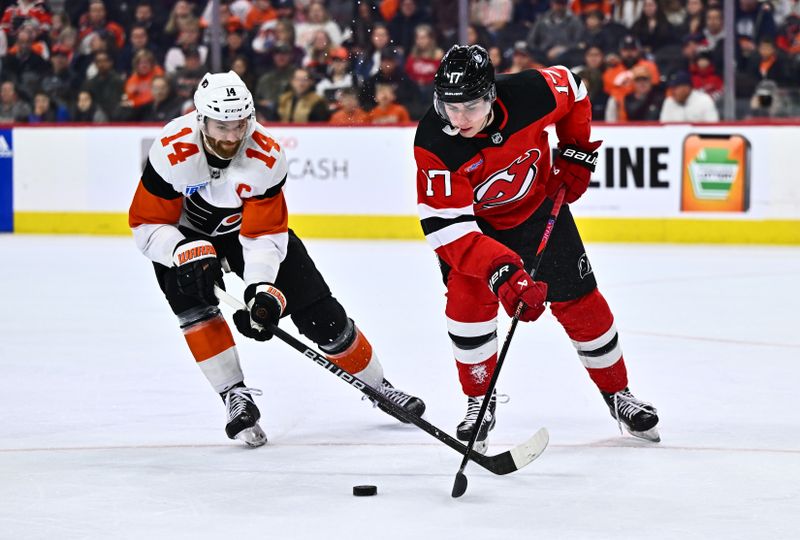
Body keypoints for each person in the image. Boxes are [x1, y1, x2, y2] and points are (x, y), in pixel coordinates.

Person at [129, 71, 425, 447]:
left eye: (239, 125)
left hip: (245, 233)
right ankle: (234, 395)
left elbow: (263, 235)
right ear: (201, 119)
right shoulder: (172, 149)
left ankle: (379, 386)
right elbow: (147, 223)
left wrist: (261, 289)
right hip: (180, 236)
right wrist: (183, 252)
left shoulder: (266, 155)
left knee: (320, 311)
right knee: (194, 309)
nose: (231, 137)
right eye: (221, 126)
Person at [413, 45, 660, 452]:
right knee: (466, 306)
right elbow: (447, 231)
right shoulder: (434, 142)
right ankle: (479, 400)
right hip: (478, 233)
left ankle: (618, 394)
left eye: (470, 107)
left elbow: (576, 89)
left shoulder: (531, 92)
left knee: (583, 304)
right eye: (449, 108)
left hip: (540, 209)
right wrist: (503, 270)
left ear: (491, 95)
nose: (459, 120)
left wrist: (576, 152)